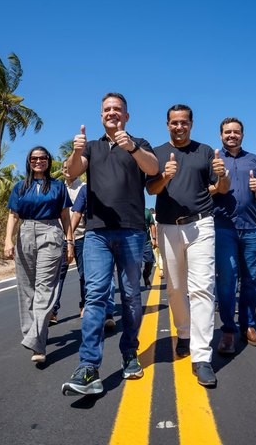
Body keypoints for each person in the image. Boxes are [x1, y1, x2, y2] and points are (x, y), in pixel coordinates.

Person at [61, 92, 158, 396]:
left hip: (131, 232)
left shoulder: (139, 143)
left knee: (130, 297)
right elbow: (72, 171)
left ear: (126, 116)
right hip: (97, 234)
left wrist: (131, 148)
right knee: (96, 298)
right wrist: (76, 152)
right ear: (100, 115)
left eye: (117, 109)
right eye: (107, 109)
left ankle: (130, 353)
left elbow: (153, 169)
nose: (112, 113)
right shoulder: (91, 146)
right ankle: (89, 367)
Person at [147, 103, 229, 387]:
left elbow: (223, 188)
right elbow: (151, 189)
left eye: (184, 122)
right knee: (176, 288)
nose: (179, 127)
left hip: (201, 224)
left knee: (202, 289)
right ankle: (184, 333)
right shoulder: (156, 153)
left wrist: (222, 174)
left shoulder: (206, 152)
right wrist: (165, 176)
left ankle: (202, 357)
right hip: (168, 226)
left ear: (191, 124)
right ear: (167, 124)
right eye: (174, 122)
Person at [4, 146, 74, 364]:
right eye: (34, 158)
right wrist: (7, 240)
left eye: (43, 158)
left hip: (51, 233)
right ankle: (32, 333)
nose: (39, 161)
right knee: (27, 289)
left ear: (48, 161)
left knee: (45, 288)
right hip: (25, 233)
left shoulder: (57, 186)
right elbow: (13, 215)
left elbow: (65, 216)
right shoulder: (20, 186)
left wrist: (69, 242)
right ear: (29, 161)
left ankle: (36, 341)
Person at [211, 117, 256, 355]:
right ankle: (228, 330)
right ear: (221, 135)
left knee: (251, 280)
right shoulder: (213, 160)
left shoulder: (254, 159)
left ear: (242, 135)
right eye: (227, 132)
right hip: (223, 227)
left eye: (236, 132)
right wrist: (218, 183)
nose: (232, 135)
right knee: (226, 281)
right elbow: (205, 193)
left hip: (252, 228)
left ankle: (249, 326)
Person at [69, 184, 117, 329]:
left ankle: (109, 313)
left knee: (110, 277)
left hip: (117, 234)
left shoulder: (115, 185)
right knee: (92, 279)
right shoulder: (85, 189)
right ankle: (94, 316)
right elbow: (77, 213)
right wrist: (69, 238)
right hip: (93, 236)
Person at [50, 162, 86, 325]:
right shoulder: (57, 187)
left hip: (82, 237)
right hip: (61, 239)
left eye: (69, 167)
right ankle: (53, 310)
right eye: (64, 167)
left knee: (84, 274)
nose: (66, 170)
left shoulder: (84, 187)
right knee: (58, 275)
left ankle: (84, 305)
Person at [143, 208, 158, 288]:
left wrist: (154, 239)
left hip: (146, 242)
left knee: (149, 261)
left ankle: (146, 276)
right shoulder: (130, 209)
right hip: (133, 243)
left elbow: (152, 224)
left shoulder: (146, 211)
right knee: (135, 265)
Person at [150, 207, 164, 278]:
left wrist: (154, 239)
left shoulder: (151, 217)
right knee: (161, 254)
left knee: (157, 254)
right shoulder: (158, 217)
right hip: (160, 236)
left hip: (153, 238)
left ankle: (160, 267)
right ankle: (161, 269)